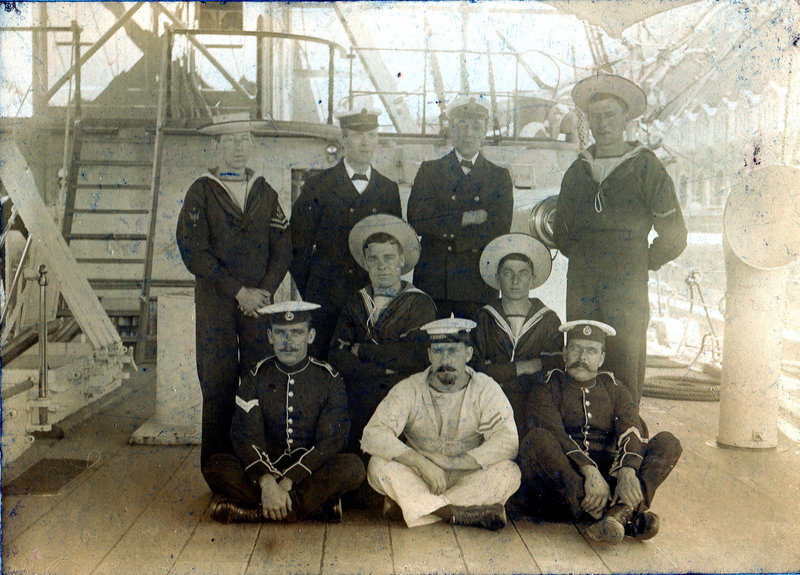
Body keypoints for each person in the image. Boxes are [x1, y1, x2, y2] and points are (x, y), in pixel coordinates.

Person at [553, 74, 687, 406]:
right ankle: (582, 433)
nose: (603, 123)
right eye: (596, 116)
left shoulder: (646, 167)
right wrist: (586, 256)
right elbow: (561, 231)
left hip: (627, 282)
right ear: (589, 121)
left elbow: (674, 235)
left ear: (625, 120)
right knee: (582, 355)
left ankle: (625, 439)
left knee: (625, 358)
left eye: (610, 115)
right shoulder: (577, 171)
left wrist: (641, 260)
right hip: (582, 281)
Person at [175, 113, 292, 491]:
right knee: (219, 382)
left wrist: (265, 291)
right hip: (216, 305)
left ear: (251, 144)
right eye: (230, 141)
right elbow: (194, 252)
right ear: (217, 146)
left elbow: (283, 247)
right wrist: (237, 291)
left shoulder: (265, 192)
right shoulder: (202, 191)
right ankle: (218, 474)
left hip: (259, 303)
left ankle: (260, 468)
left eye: (244, 140)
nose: (238, 148)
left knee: (259, 380)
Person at [517, 320, 682, 544]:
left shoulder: (614, 387)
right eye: (575, 349)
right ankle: (623, 515)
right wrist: (590, 472)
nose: (582, 357)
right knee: (538, 439)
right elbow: (554, 434)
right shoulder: (547, 385)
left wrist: (627, 470)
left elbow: (631, 426)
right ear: (565, 354)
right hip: (566, 483)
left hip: (609, 480)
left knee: (668, 443)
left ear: (601, 358)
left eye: (591, 351)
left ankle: (615, 515)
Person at [205, 301, 366, 524]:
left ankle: (255, 512)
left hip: (307, 474)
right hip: (264, 472)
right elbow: (245, 435)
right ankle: (309, 508)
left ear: (310, 336)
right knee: (216, 465)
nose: (288, 341)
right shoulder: (256, 375)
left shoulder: (329, 378)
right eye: (280, 333)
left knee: (353, 467)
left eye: (296, 332)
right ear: (270, 336)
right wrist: (267, 481)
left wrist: (289, 480)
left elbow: (330, 442)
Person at [361, 317, 520, 530]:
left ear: (468, 354)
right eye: (438, 351)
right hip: (421, 476)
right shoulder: (410, 388)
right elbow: (373, 434)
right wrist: (420, 463)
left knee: (509, 473)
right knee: (377, 466)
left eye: (453, 351)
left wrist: (455, 463)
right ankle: (454, 513)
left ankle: (415, 508)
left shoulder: (486, 389)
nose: (445, 359)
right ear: (429, 355)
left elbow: (508, 442)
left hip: (467, 476)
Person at [290, 108, 402, 359]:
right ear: (343, 139)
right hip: (327, 299)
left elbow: (396, 248)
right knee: (325, 364)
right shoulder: (318, 185)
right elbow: (297, 246)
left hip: (370, 299)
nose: (366, 143)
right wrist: (313, 291)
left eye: (372, 135)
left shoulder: (388, 189)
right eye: (357, 135)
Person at [329, 214, 437, 454]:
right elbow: (336, 355)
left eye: (388, 258)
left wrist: (361, 350)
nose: (381, 266)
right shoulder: (356, 302)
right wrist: (380, 368)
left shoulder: (420, 303)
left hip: (404, 399)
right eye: (373, 259)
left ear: (401, 259)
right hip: (359, 395)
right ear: (365, 263)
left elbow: (413, 356)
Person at [407, 96, 514, 320]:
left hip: (477, 281)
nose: (468, 134)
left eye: (476, 127)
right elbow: (418, 220)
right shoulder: (430, 171)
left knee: (475, 348)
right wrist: (466, 217)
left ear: (484, 132)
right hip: (434, 282)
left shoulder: (499, 177)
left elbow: (498, 229)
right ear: (451, 130)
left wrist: (444, 228)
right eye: (461, 126)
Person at [471, 233, 563, 434]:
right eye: (507, 273)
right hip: (490, 401)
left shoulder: (548, 320)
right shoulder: (485, 317)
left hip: (533, 404)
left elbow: (552, 368)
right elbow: (476, 370)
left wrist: (498, 369)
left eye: (523, 273)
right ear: (497, 278)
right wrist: (526, 366)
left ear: (533, 279)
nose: (515, 280)